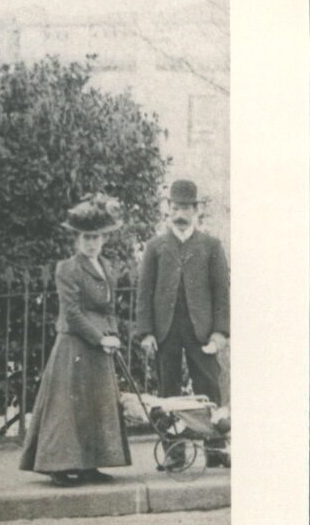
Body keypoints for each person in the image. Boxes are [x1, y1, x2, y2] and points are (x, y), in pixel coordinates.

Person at [19, 197, 133, 484]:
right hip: (74, 346)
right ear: (77, 239)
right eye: (86, 238)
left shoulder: (106, 267)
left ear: (104, 238)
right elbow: (72, 312)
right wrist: (99, 338)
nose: (91, 243)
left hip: (101, 346)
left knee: (95, 405)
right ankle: (58, 465)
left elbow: (108, 309)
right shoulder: (67, 268)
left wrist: (113, 334)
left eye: (96, 238)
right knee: (68, 407)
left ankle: (89, 464)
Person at [137, 178, 229, 404]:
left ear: (196, 210)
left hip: (201, 330)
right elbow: (144, 292)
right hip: (165, 330)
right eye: (175, 207)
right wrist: (146, 332)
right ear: (169, 209)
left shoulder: (211, 246)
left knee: (208, 383)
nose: (180, 214)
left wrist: (219, 333)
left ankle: (212, 438)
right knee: (168, 388)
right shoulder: (155, 247)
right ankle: (172, 438)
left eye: (186, 208)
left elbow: (221, 294)